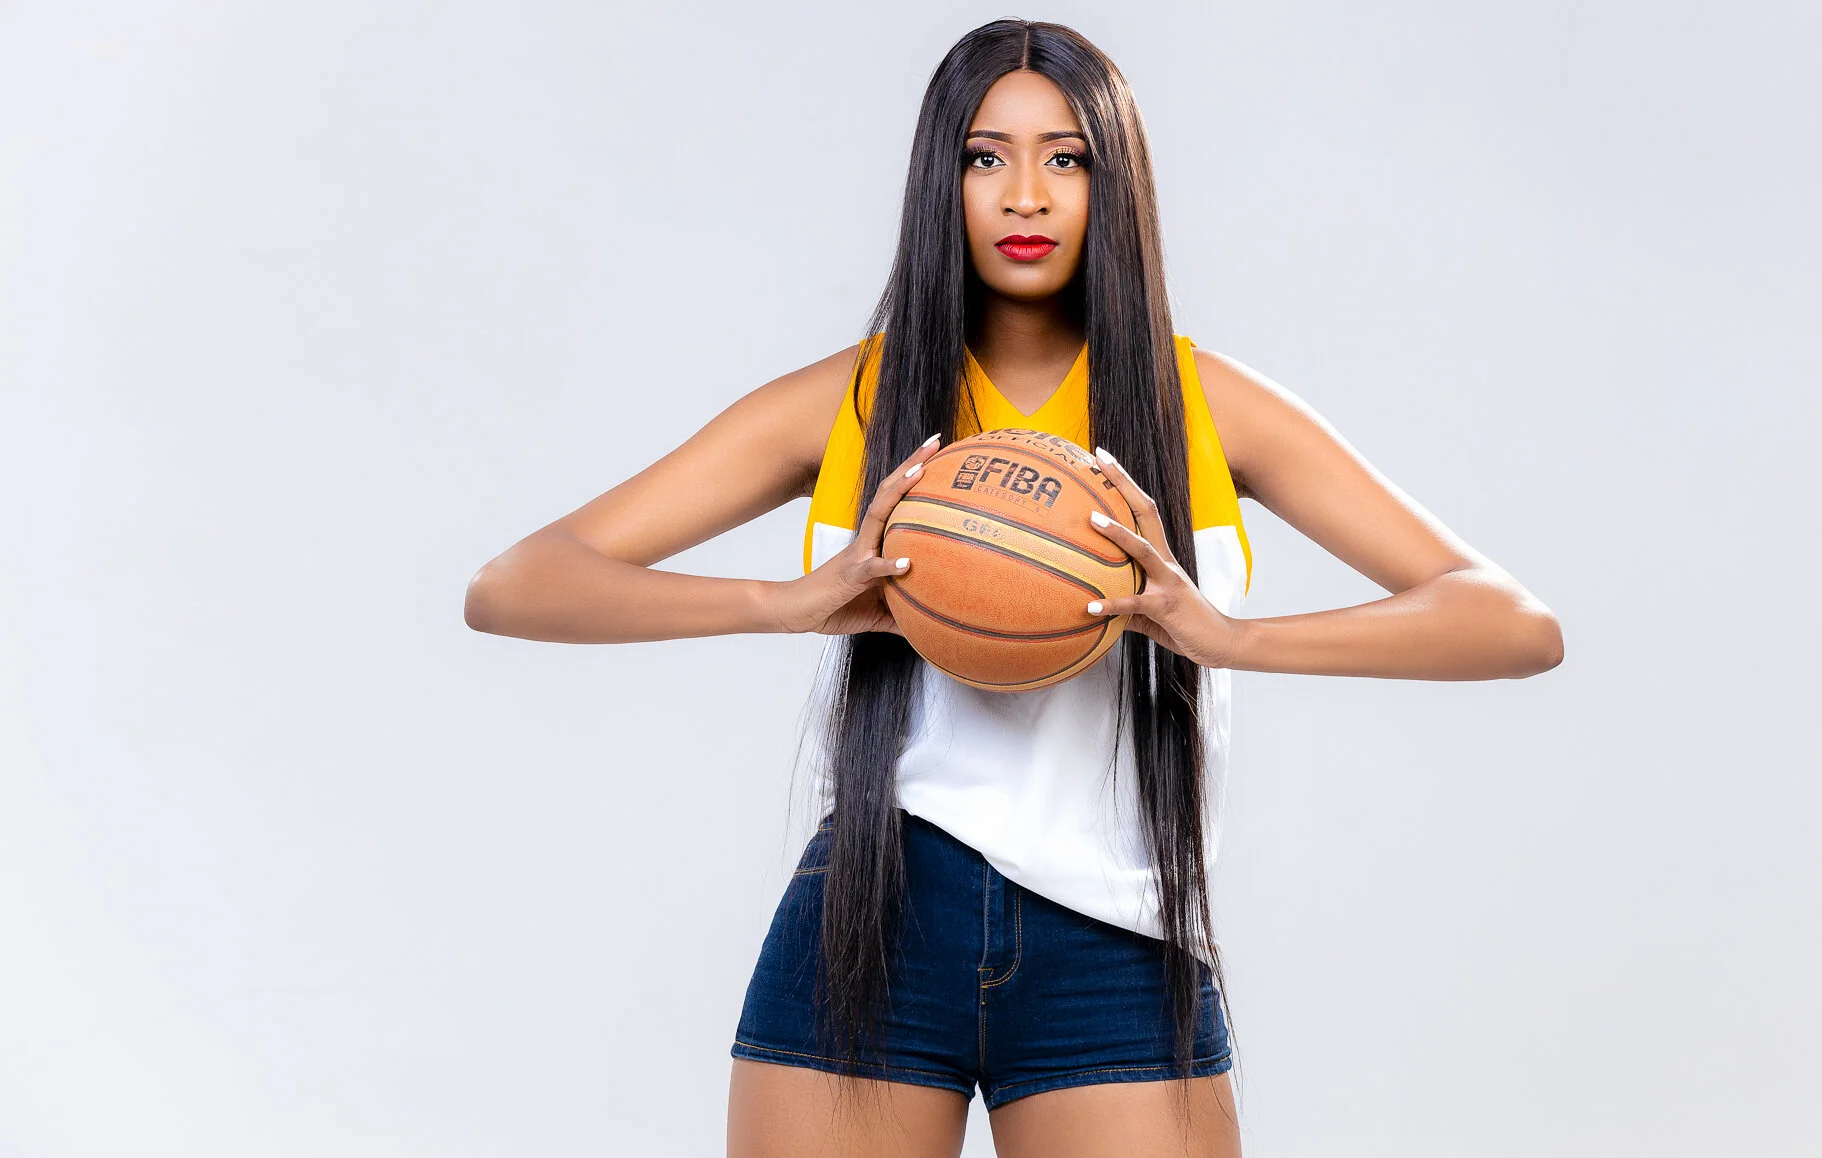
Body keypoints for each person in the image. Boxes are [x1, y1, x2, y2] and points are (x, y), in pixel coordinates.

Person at [463, 18, 1563, 1158]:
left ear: (1111, 179)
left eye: (1066, 157)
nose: (1024, 195)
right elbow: (517, 584)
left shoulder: (1202, 403)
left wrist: (1225, 638)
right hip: (873, 918)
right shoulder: (856, 398)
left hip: (1119, 948)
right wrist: (782, 604)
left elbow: (1512, 623)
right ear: (942, 179)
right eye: (986, 156)